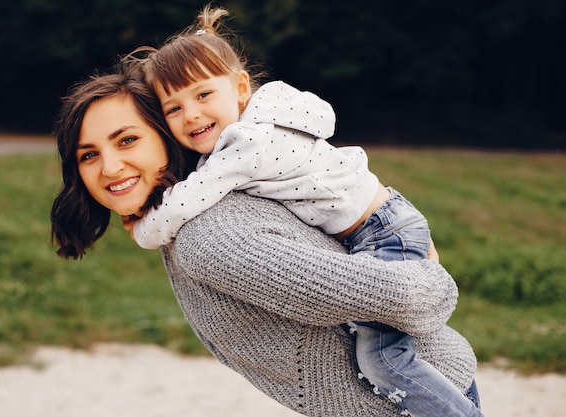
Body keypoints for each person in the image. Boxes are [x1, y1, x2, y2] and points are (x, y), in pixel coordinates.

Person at [49, 55, 481, 417]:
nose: (108, 168)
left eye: (126, 140)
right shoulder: (210, 206)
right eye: (89, 155)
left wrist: (428, 271)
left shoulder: (208, 234)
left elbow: (406, 295)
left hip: (417, 398)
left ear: (164, 135)